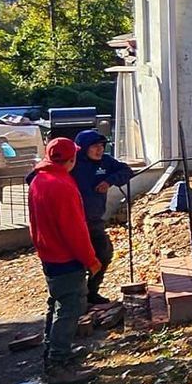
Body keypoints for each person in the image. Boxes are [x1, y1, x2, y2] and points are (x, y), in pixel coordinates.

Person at [27, 137, 101, 384]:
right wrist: (90, 260)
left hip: (49, 254)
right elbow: (75, 231)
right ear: (71, 159)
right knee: (69, 309)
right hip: (65, 257)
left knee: (56, 305)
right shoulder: (61, 185)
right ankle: (58, 366)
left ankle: (55, 356)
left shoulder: (39, 179)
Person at [70, 130, 134, 306]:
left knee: (103, 255)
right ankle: (76, 299)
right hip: (73, 223)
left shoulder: (105, 161)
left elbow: (127, 171)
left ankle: (92, 292)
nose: (99, 150)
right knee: (77, 262)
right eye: (94, 146)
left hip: (95, 221)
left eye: (102, 146)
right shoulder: (72, 162)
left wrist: (109, 181)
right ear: (83, 148)